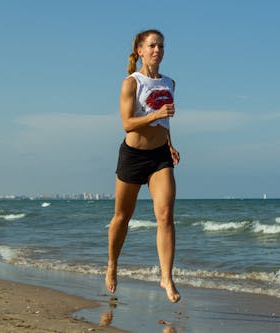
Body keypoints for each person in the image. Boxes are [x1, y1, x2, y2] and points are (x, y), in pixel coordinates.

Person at [105, 29, 181, 303]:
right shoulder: (131, 83)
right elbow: (127, 123)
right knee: (121, 218)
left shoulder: (170, 82)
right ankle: (113, 264)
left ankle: (166, 277)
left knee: (165, 216)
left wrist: (170, 143)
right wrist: (157, 114)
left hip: (160, 157)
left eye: (161, 45)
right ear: (140, 50)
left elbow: (166, 121)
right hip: (133, 156)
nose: (157, 50)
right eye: (152, 46)